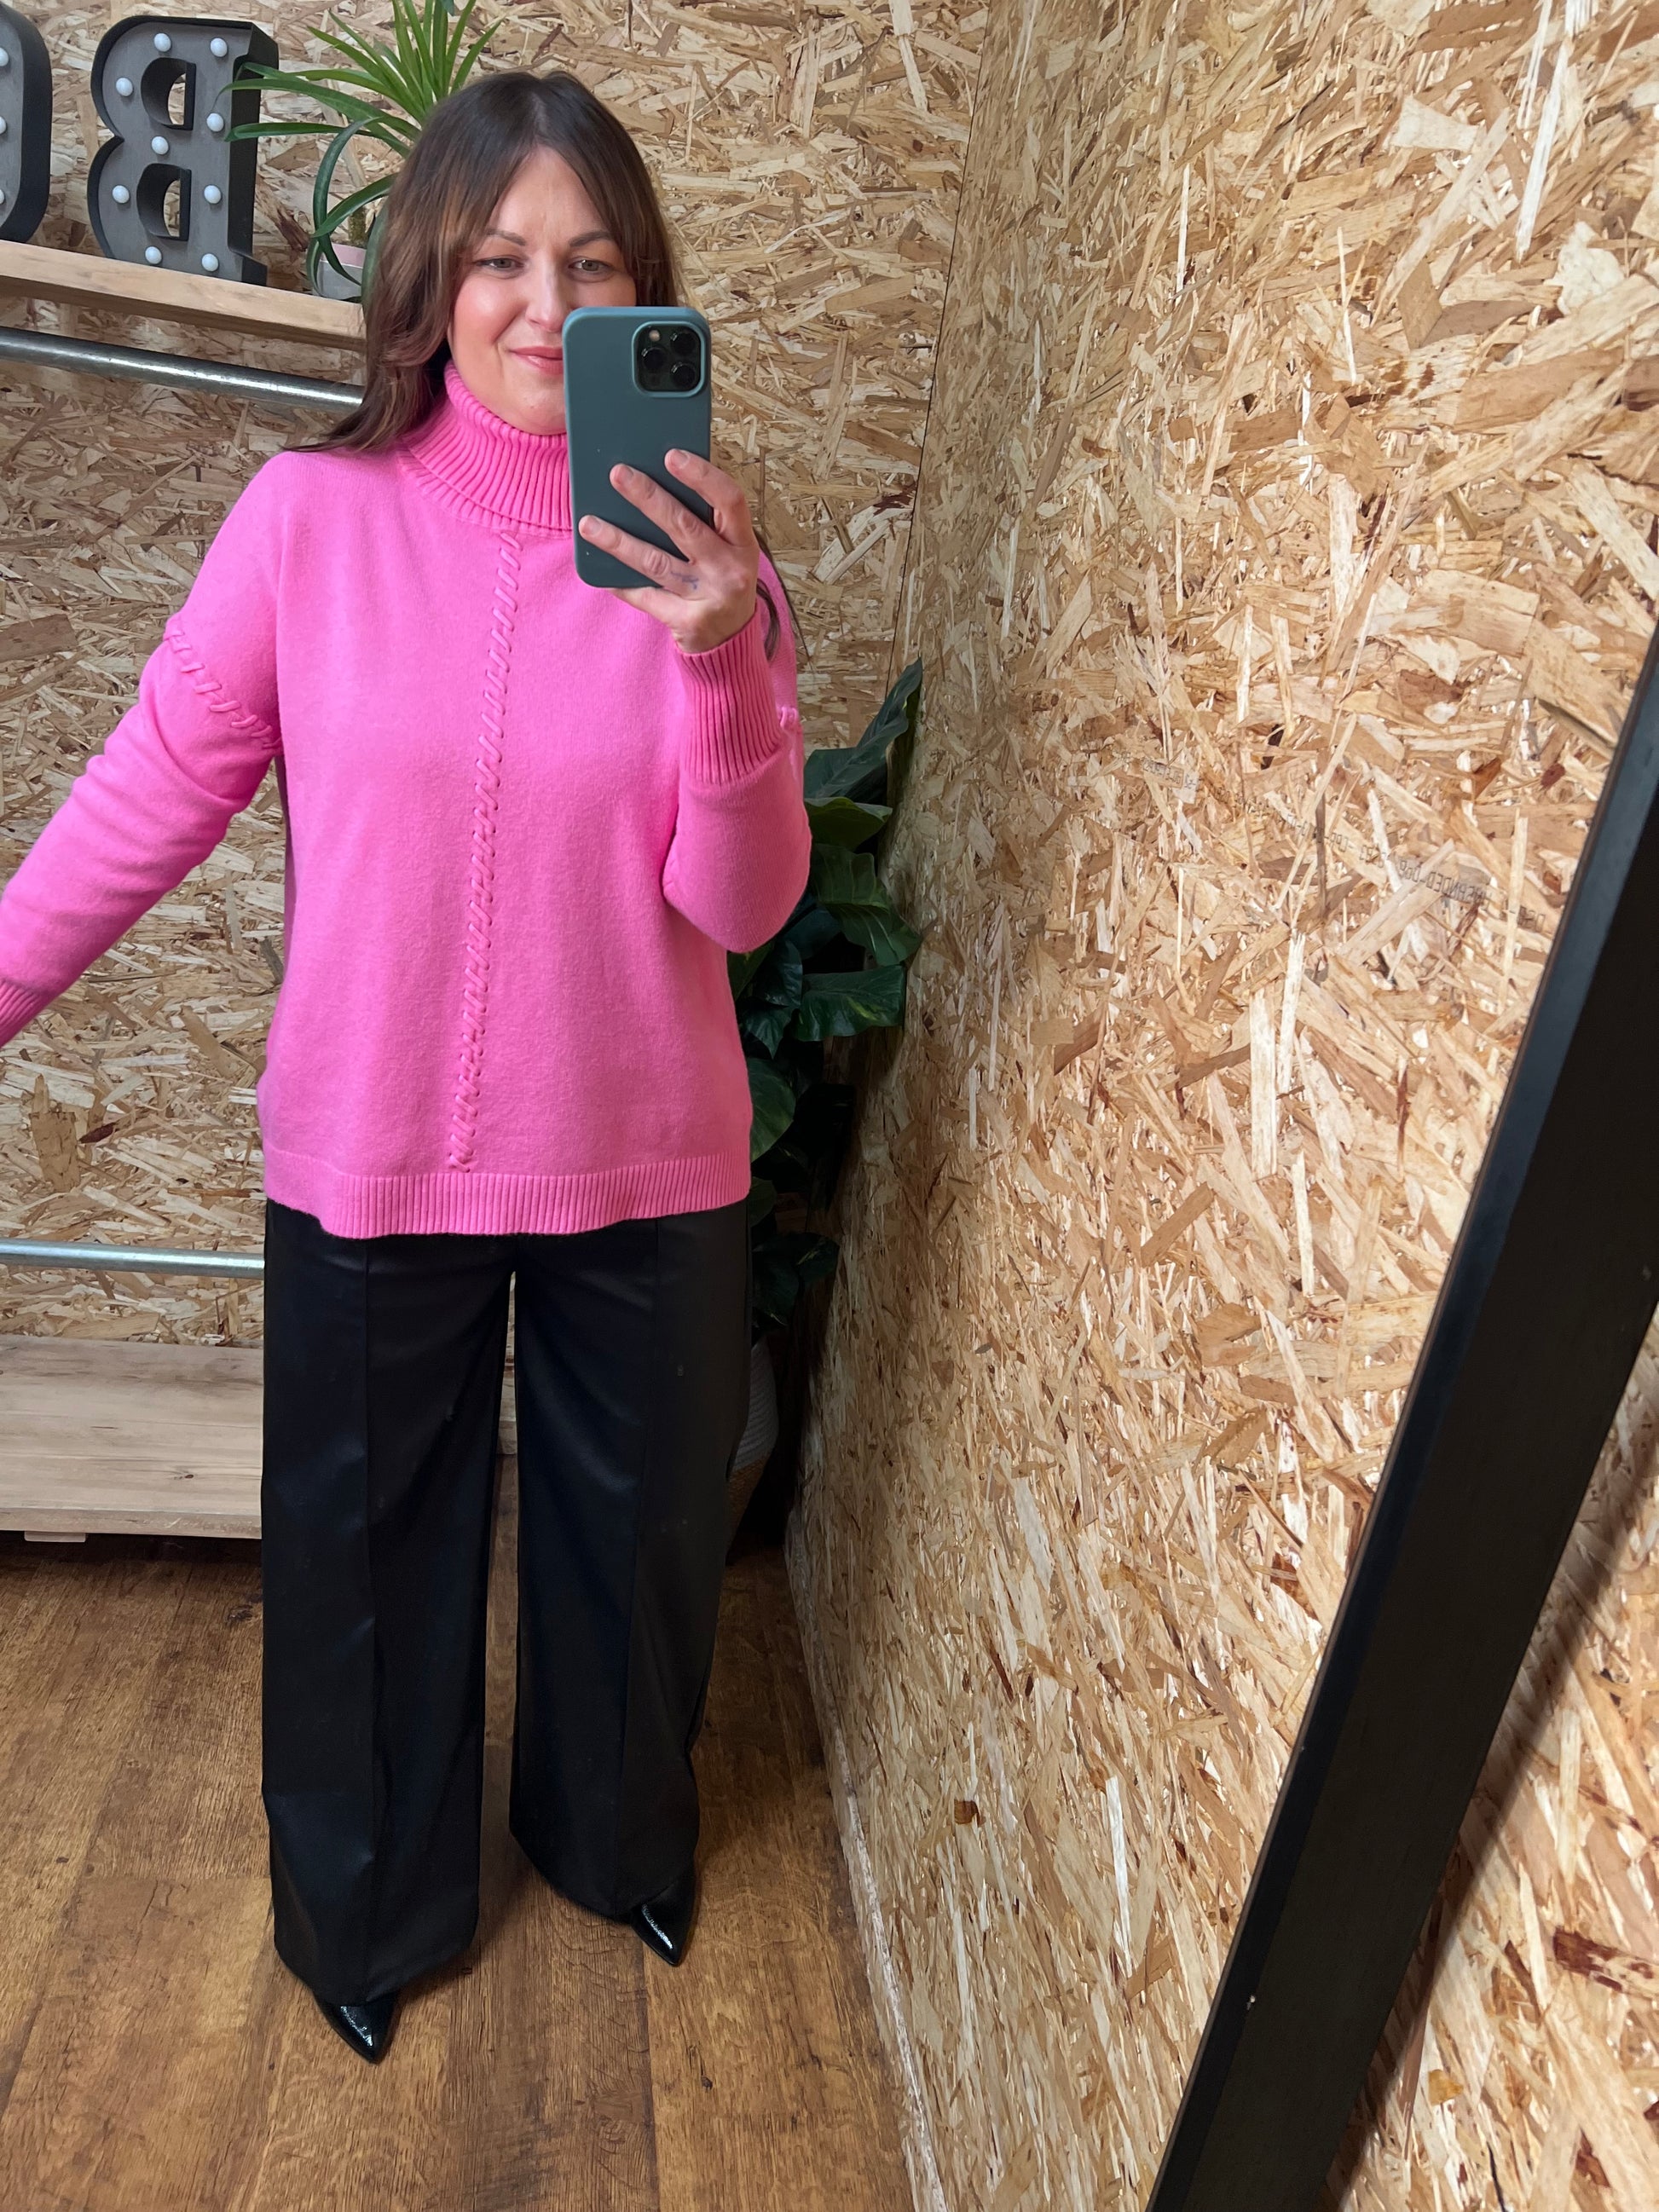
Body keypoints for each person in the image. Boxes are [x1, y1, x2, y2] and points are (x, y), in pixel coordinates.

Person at [0, 69, 812, 2065]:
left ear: (643, 297)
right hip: (372, 1154)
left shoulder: (711, 572)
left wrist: (719, 660)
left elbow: (741, 902)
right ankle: (364, 1906)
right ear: (430, 282)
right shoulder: (309, 523)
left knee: (639, 1553)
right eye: (502, 258)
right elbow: (150, 788)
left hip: (649, 1157)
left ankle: (614, 1839)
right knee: (362, 1561)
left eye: (592, 263)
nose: (545, 304)